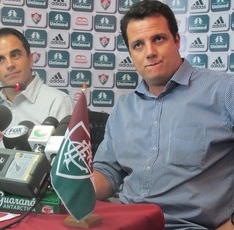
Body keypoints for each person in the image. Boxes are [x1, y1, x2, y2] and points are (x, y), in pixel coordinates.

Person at [93, 1, 234, 229]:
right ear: (130, 53)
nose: (150, 52)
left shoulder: (225, 91)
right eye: (138, 45)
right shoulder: (123, 108)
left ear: (177, 40)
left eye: (158, 39)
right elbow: (108, 173)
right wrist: (72, 185)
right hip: (127, 223)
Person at [0, 28, 74, 177]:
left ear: (30, 59)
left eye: (15, 55)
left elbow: (65, 168)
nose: (9, 64)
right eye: (0, 59)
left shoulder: (57, 101)